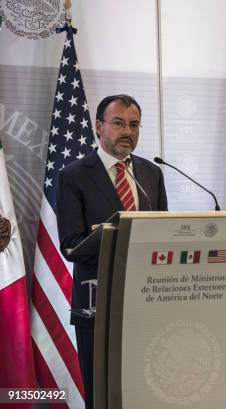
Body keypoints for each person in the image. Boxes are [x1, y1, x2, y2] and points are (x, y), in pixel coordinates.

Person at [57, 94, 168, 409]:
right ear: (98, 126)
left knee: (146, 389)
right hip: (97, 304)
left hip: (148, 301)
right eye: (118, 123)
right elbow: (72, 245)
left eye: (134, 125)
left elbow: (162, 231)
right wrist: (119, 239)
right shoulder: (74, 175)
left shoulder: (151, 173)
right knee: (103, 393)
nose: (127, 131)